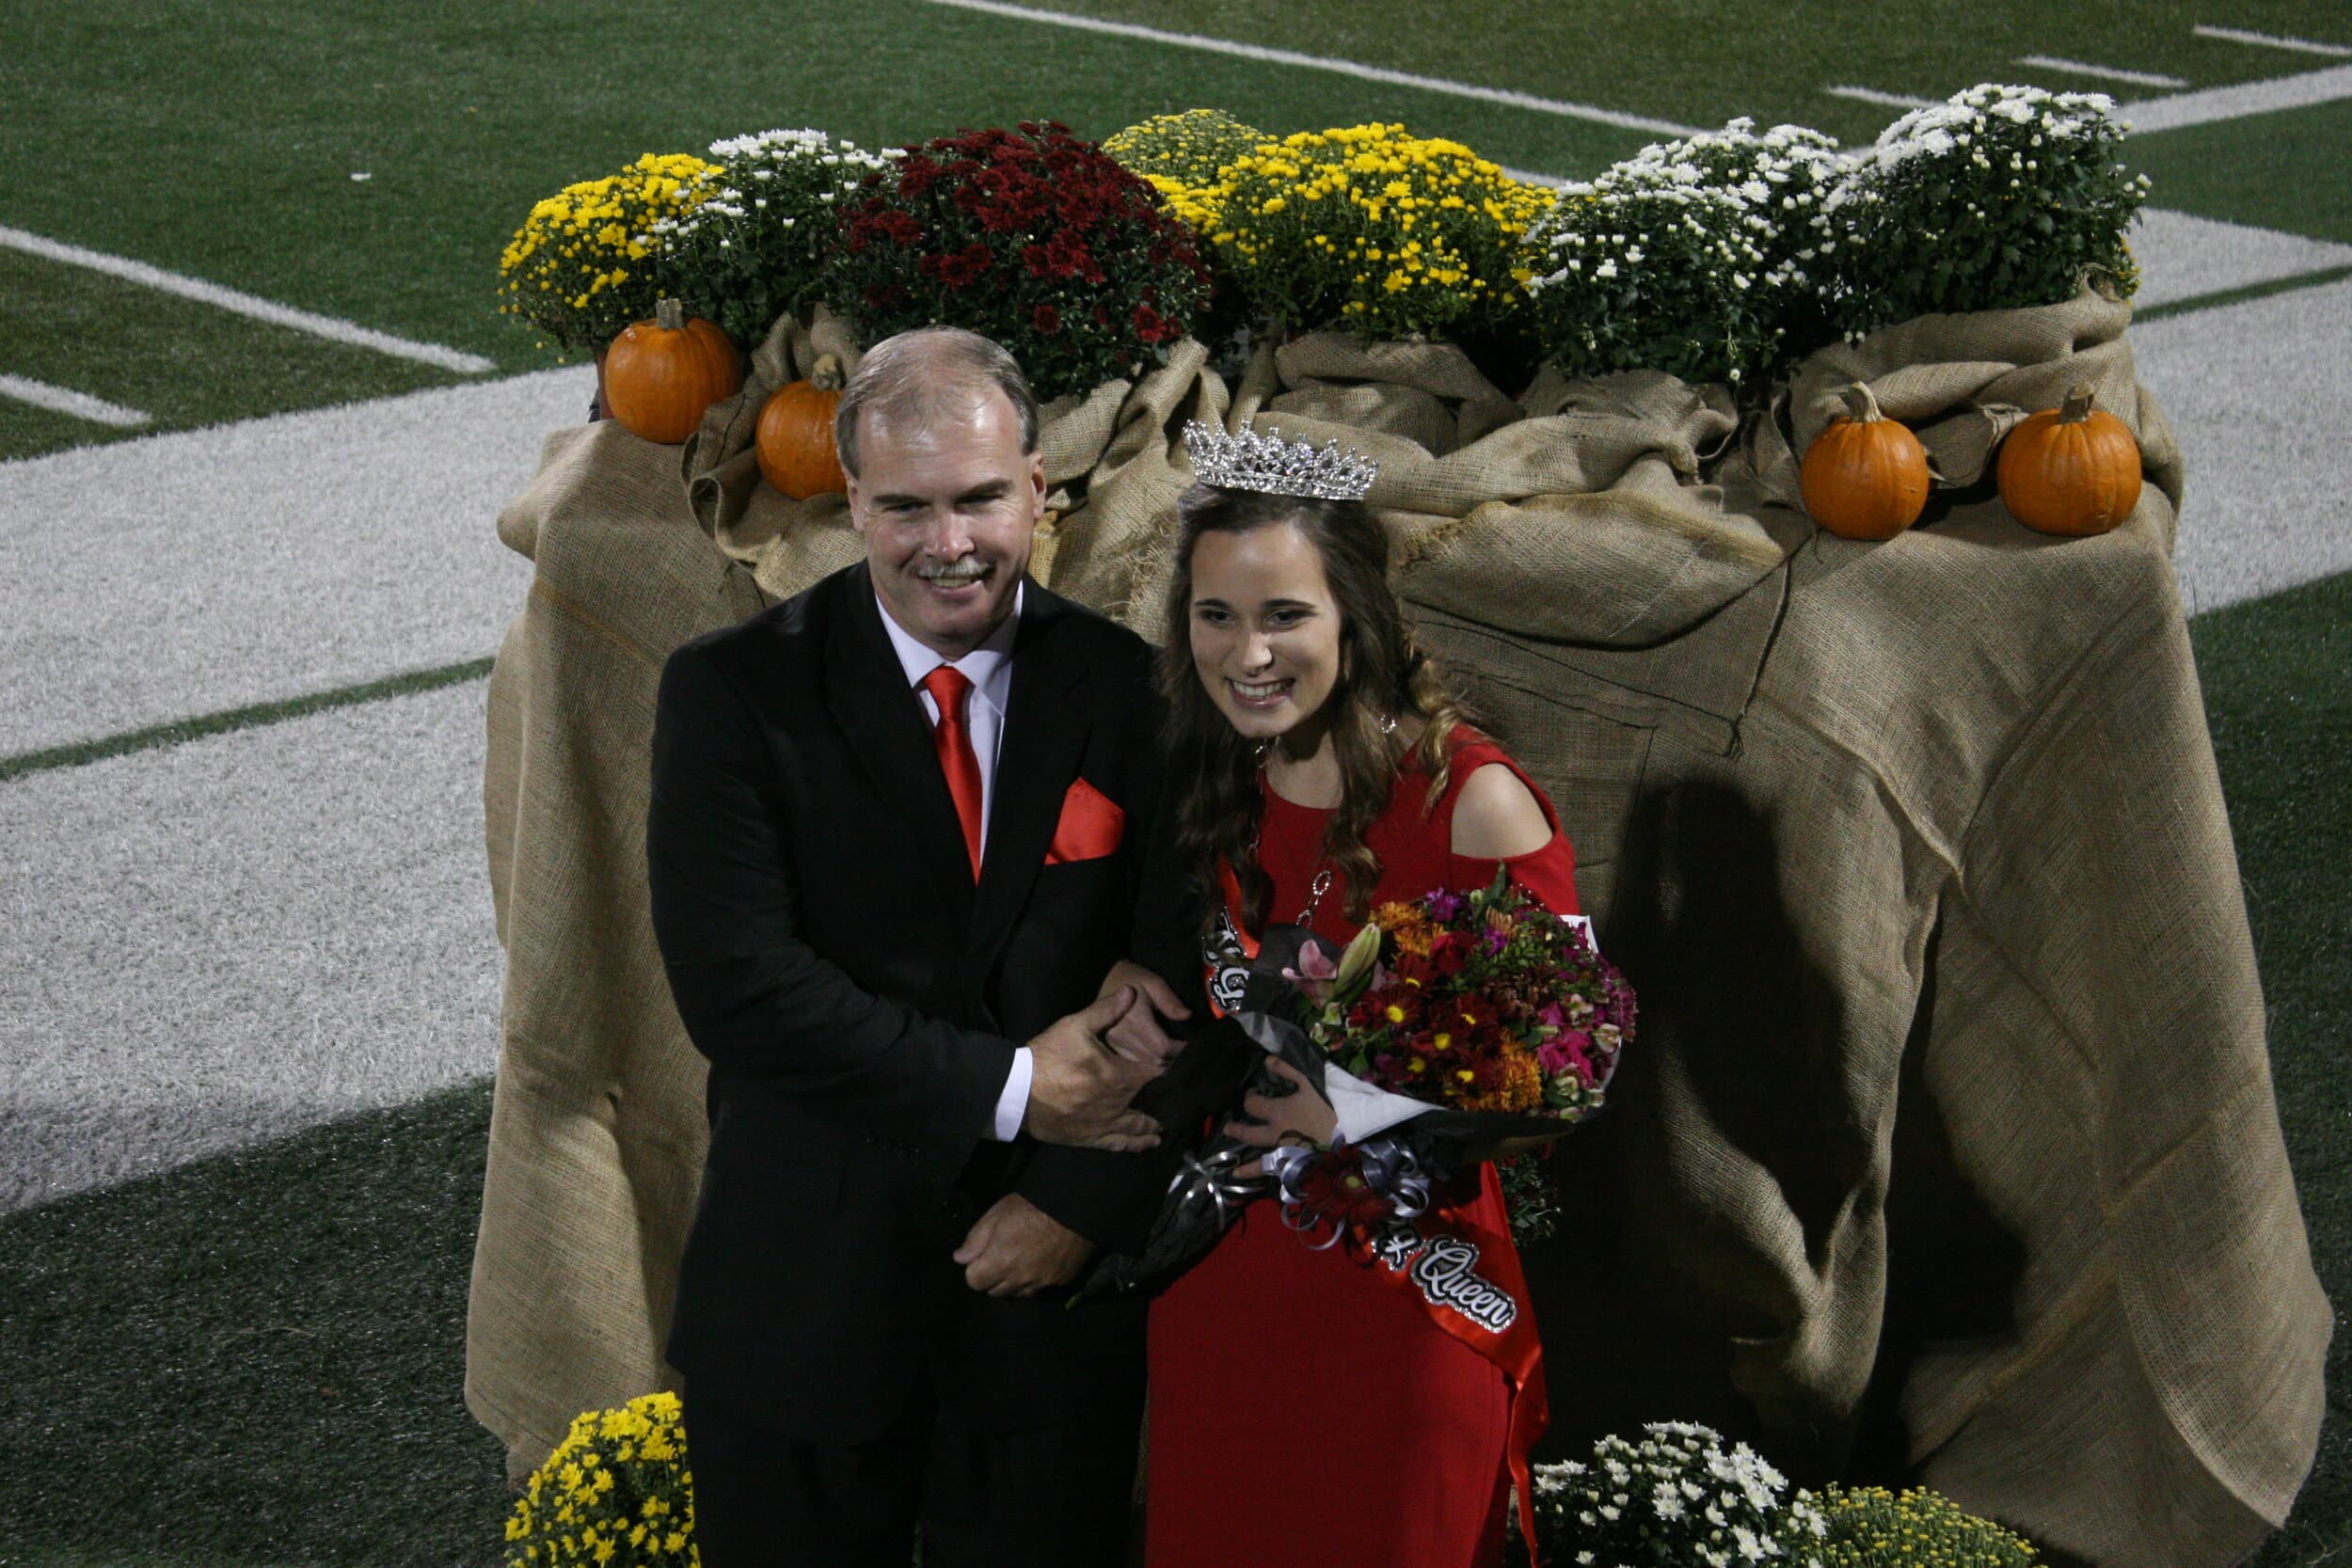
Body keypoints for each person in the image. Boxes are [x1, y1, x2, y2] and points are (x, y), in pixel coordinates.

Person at [645, 326, 1200, 1567]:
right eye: (904, 507)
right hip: (800, 1308)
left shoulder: (1138, 691)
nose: (948, 542)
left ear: (1038, 484)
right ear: (849, 502)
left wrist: (1079, 1201)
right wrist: (1016, 1092)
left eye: (980, 499)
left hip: (1048, 1325)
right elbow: (742, 990)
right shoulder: (730, 694)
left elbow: (1191, 966)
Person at [1143, 425, 1582, 1568]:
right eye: (1217, 615)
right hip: (1223, 1304)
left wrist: (1352, 1113)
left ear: (1356, 618)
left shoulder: (1468, 801)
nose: (1248, 652)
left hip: (1404, 1307)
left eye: (1285, 613)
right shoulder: (1210, 791)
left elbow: (1564, 1075)